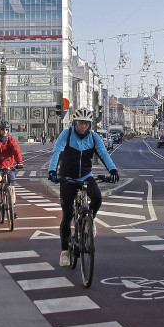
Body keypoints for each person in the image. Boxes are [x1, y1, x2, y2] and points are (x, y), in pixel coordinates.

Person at [48, 108, 119, 267]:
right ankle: (65, 251)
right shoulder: (66, 135)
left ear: (90, 124)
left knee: (98, 198)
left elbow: (104, 154)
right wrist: (52, 171)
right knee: (67, 215)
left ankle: (90, 221)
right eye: (80, 123)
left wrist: (113, 170)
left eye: (86, 123)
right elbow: (56, 152)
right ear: (75, 122)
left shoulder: (94, 138)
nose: (83, 126)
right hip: (67, 177)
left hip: (86, 176)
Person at [0, 121, 24, 208]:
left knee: (12, 188)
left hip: (8, 166)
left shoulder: (11, 140)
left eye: (7, 129)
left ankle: (12, 208)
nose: (5, 131)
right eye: (2, 129)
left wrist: (19, 162)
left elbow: (17, 151)